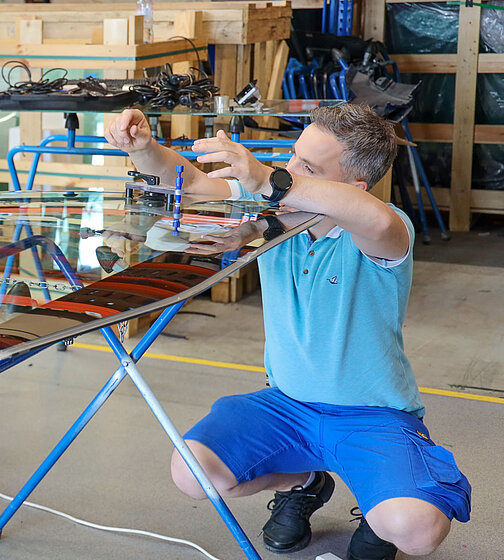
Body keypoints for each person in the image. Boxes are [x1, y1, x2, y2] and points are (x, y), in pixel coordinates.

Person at [105, 104, 471, 560]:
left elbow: (371, 219)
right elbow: (195, 183)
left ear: (354, 184)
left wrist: (268, 182)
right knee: (193, 472)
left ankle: (379, 513)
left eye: (308, 167)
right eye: (292, 157)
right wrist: (143, 148)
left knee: (414, 531)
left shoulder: (388, 228)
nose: (290, 170)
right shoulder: (276, 213)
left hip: (372, 417)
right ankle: (307, 482)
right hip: (287, 405)